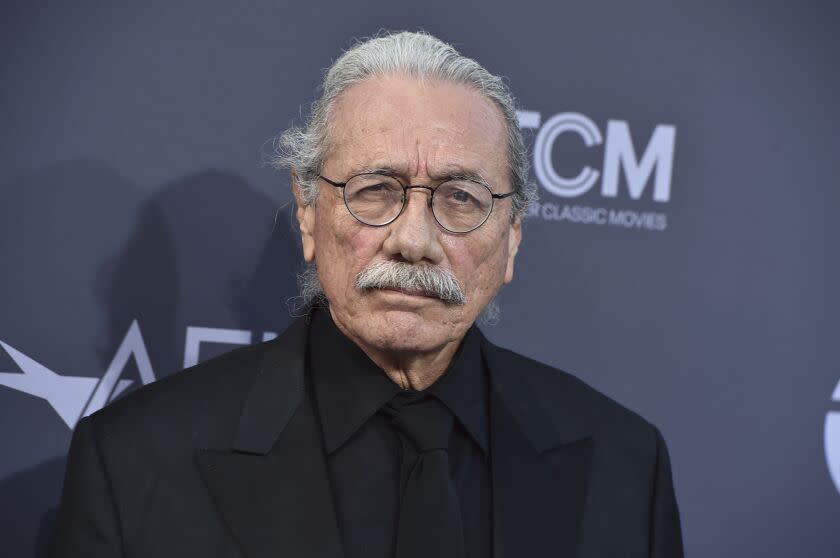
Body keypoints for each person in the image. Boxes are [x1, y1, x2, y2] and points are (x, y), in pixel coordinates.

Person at [48, 31, 684, 558]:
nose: (413, 239)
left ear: (512, 238)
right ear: (308, 213)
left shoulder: (625, 466)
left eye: (460, 198)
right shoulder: (133, 462)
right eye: (375, 189)